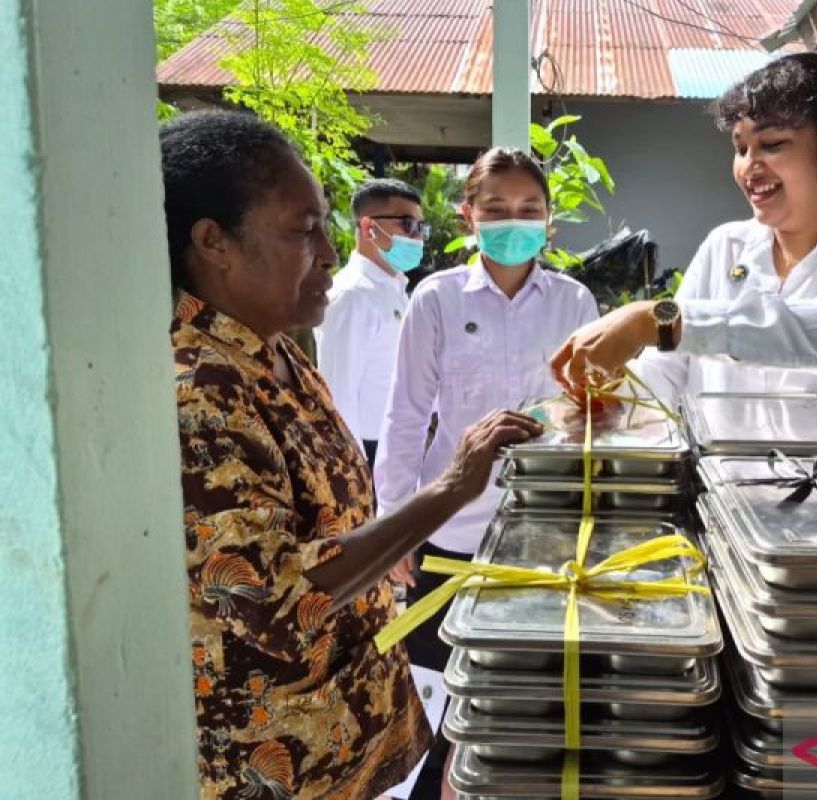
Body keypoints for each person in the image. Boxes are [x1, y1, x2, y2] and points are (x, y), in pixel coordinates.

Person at [162, 109, 541, 800]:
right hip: (280, 766)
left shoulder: (274, 352)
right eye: (303, 231)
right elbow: (275, 604)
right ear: (214, 242)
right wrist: (450, 489)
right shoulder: (201, 391)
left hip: (344, 744)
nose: (330, 255)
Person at [373, 147, 599, 795]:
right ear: (468, 215)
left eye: (529, 209)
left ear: (550, 220)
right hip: (451, 538)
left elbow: (594, 415)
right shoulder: (437, 299)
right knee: (434, 703)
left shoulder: (574, 303)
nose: (513, 221)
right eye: (496, 208)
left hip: (545, 541)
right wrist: (396, 526)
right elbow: (406, 417)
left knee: (525, 703)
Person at [550, 53, 817, 402]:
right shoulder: (726, 244)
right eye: (740, 149)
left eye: (772, 144)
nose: (749, 168)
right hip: (718, 467)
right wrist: (611, 391)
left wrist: (656, 319)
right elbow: (670, 371)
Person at [315, 179, 430, 469]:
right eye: (407, 224)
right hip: (366, 452)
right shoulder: (352, 295)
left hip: (399, 444)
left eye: (421, 227)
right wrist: (353, 469)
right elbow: (338, 393)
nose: (417, 237)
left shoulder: (393, 288)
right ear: (369, 228)